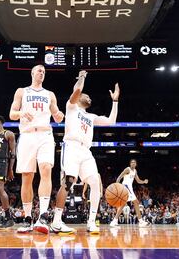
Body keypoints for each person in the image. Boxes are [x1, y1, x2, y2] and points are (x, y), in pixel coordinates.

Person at [50, 70, 120, 234]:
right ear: (79, 97)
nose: (89, 98)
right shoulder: (71, 107)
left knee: (95, 182)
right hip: (71, 146)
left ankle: (91, 222)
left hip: (86, 151)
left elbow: (111, 121)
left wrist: (115, 101)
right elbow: (77, 91)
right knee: (68, 182)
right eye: (86, 95)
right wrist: (81, 77)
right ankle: (56, 221)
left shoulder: (91, 116)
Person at [9, 65, 64, 234]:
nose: (42, 73)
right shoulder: (21, 91)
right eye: (39, 70)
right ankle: (27, 218)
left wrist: (59, 115)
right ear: (32, 73)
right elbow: (12, 113)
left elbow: (56, 114)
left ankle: (43, 216)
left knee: (46, 169)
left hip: (45, 135)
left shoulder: (49, 94)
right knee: (27, 176)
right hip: (27, 136)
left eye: (44, 72)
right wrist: (21, 114)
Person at [110, 159, 151, 228]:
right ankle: (141, 221)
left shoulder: (135, 171)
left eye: (134, 162)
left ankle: (114, 221)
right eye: (132, 162)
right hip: (125, 187)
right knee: (136, 202)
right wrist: (117, 186)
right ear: (130, 164)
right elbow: (119, 177)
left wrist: (144, 181)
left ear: (136, 164)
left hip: (130, 188)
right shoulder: (127, 169)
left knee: (123, 204)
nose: (133, 163)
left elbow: (138, 181)